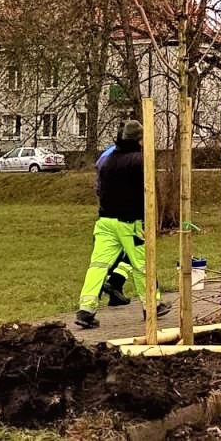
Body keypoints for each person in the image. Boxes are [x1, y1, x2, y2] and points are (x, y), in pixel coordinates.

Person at [75, 119, 169, 328]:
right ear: (139, 139)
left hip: (105, 222)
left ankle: (86, 310)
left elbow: (99, 189)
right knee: (142, 264)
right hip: (130, 223)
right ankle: (151, 305)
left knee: (98, 266)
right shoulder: (140, 160)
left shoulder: (107, 160)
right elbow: (148, 191)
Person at [95, 133, 131, 307]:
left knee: (112, 255)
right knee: (136, 253)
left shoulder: (106, 156)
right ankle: (115, 282)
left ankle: (115, 292)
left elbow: (99, 186)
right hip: (125, 213)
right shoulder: (127, 158)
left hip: (105, 211)